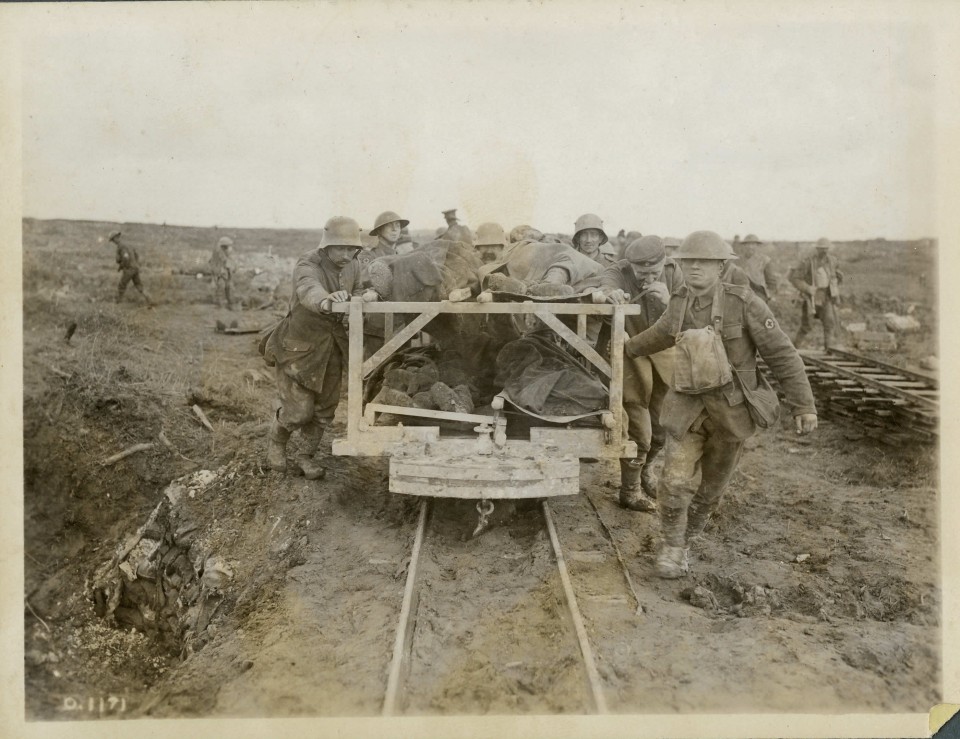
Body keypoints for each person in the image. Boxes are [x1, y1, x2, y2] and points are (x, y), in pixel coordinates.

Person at [624, 231, 817, 578]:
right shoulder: (679, 301)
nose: (695, 268)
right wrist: (625, 348)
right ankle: (672, 545)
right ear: (679, 265)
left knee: (711, 490)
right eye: (688, 262)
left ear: (721, 266)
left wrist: (803, 405)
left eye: (704, 262)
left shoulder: (744, 303)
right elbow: (659, 334)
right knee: (673, 481)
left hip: (731, 413)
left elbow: (781, 354)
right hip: (686, 410)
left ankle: (688, 540)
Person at [259, 217, 368, 479]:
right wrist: (326, 300)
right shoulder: (309, 262)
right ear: (326, 246)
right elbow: (308, 288)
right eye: (340, 248)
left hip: (332, 348)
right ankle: (276, 442)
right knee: (298, 412)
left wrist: (367, 295)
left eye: (350, 248)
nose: (345, 254)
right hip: (299, 348)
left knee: (324, 411)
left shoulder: (354, 265)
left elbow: (363, 288)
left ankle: (305, 455)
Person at [597, 235, 681, 512]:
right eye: (640, 272)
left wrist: (672, 302)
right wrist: (612, 297)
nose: (646, 277)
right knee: (638, 426)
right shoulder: (618, 271)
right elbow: (604, 287)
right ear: (631, 265)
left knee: (663, 425)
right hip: (629, 351)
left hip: (665, 354)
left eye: (652, 272)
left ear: (663, 262)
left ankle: (647, 471)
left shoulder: (673, 273)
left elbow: (691, 314)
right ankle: (629, 490)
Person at [789, 237, 844, 349]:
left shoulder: (832, 261)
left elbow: (837, 276)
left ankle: (828, 348)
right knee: (807, 325)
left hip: (826, 296)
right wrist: (807, 288)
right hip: (810, 297)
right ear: (817, 249)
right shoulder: (808, 262)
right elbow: (795, 278)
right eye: (821, 249)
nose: (824, 251)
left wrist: (836, 284)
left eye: (826, 249)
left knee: (829, 322)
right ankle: (794, 348)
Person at [108, 230, 151, 304]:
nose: (113, 242)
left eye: (113, 240)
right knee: (138, 285)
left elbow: (125, 258)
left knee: (121, 285)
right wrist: (135, 264)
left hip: (129, 269)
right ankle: (149, 299)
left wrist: (122, 266)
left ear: (116, 238)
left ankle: (118, 302)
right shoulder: (128, 244)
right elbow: (136, 255)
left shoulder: (121, 246)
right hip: (135, 268)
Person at [734, 234, 778, 302]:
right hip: (740, 292)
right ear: (744, 246)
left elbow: (771, 282)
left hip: (758, 293)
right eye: (747, 244)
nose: (750, 247)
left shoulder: (765, 260)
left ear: (758, 246)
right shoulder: (737, 261)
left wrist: (769, 295)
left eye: (753, 244)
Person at [209, 236, 238, 309]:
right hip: (220, 274)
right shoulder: (218, 253)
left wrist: (230, 269)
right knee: (221, 288)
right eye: (227, 246)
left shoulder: (226, 253)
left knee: (229, 288)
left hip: (226, 273)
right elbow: (215, 264)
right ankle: (221, 305)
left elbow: (231, 263)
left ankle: (230, 304)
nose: (229, 248)